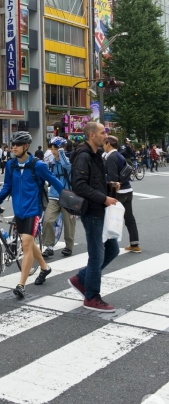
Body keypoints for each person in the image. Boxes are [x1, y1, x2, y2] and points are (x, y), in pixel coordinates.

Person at [0, 131, 64, 298]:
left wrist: (70, 200)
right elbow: (7, 187)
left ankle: (21, 285)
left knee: (26, 243)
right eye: (13, 145)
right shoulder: (11, 165)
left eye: (18, 145)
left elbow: (56, 182)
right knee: (29, 242)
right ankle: (45, 268)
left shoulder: (38, 165)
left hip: (33, 210)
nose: (14, 147)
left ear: (27, 146)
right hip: (19, 210)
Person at [68, 122, 119, 312]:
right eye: (102, 132)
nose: (105, 135)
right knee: (96, 255)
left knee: (112, 250)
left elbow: (94, 182)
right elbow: (79, 185)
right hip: (92, 211)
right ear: (91, 135)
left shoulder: (96, 155)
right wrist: (103, 197)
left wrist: (109, 187)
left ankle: (81, 279)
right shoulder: (84, 156)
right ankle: (91, 296)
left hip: (100, 209)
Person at [104, 135, 141, 253]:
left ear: (108, 144)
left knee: (111, 219)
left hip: (118, 192)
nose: (103, 146)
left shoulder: (111, 157)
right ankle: (135, 244)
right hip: (128, 190)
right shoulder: (120, 155)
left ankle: (109, 247)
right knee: (129, 218)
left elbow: (113, 178)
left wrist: (111, 195)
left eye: (104, 143)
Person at [42, 136, 76, 258]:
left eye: (55, 148)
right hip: (54, 196)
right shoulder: (51, 163)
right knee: (48, 220)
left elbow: (67, 166)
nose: (53, 151)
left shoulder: (67, 161)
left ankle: (69, 246)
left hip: (67, 196)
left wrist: (61, 151)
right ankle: (49, 246)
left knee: (68, 223)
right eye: (52, 148)